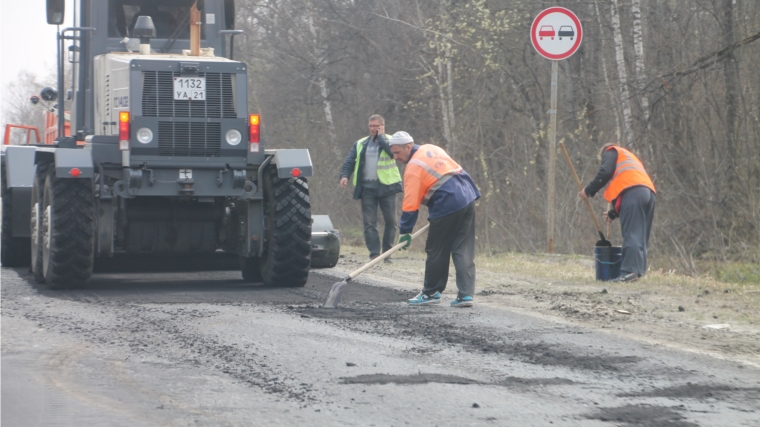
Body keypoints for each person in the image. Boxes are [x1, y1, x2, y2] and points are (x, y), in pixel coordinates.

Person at [388, 132, 481, 307]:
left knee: (437, 249)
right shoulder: (430, 148)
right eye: (393, 153)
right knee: (463, 247)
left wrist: (405, 231)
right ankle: (466, 295)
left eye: (397, 153)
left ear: (408, 146)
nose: (395, 157)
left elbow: (410, 204)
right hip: (467, 195)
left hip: (449, 202)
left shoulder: (413, 169)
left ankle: (431, 292)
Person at [579, 143, 656, 282]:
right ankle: (638, 272)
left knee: (631, 233)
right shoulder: (629, 159)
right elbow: (627, 192)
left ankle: (629, 272)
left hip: (634, 192)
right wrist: (613, 213)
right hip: (648, 193)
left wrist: (588, 190)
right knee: (640, 235)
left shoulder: (610, 151)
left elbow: (605, 172)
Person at [339, 115, 403, 262]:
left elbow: (392, 154)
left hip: (387, 187)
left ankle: (387, 253)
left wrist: (381, 138)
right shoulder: (361, 143)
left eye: (376, 126)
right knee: (369, 222)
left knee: (391, 221)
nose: (373, 128)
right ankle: (374, 254)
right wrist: (344, 176)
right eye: (371, 126)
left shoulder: (391, 140)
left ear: (382, 126)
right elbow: (350, 161)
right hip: (367, 188)